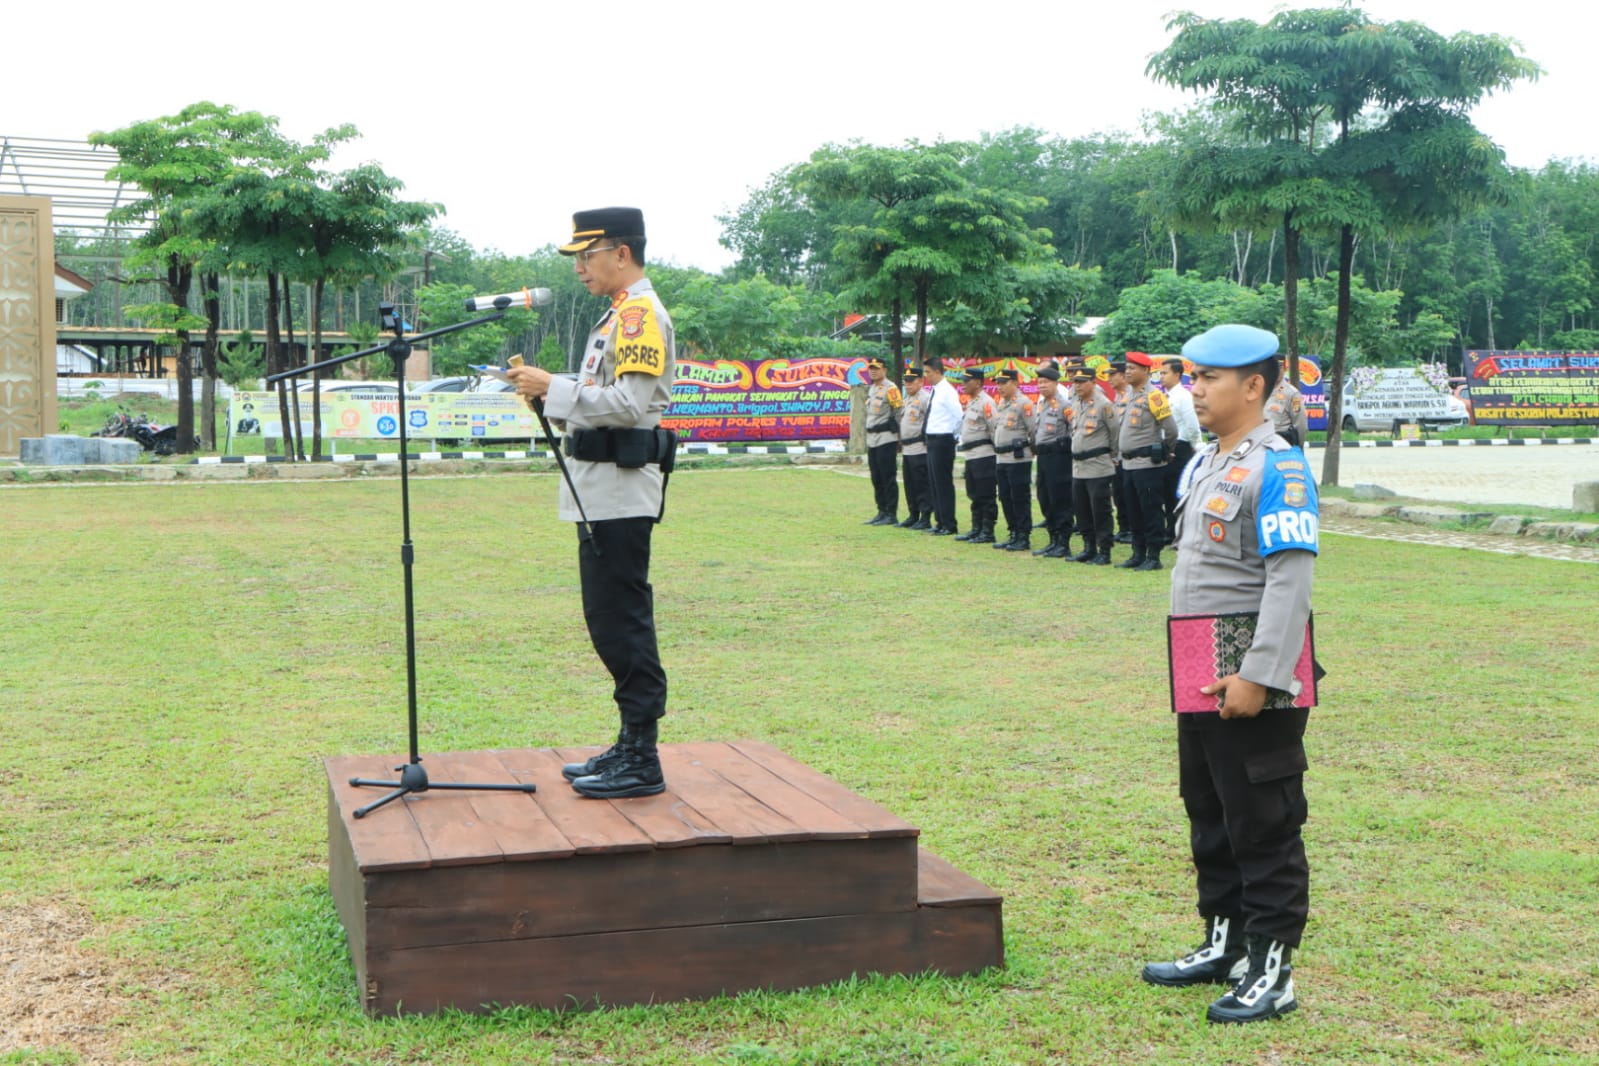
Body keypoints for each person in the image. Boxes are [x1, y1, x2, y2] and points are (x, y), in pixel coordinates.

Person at [1141, 323, 1319, 1025]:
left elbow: (1289, 581)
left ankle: (1271, 972)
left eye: (1208, 378)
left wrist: (1259, 675)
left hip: (1250, 670)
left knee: (1262, 823)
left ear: (1253, 385)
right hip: (1196, 660)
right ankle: (1224, 943)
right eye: (1192, 376)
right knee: (1208, 811)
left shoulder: (1279, 466)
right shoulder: (1208, 461)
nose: (1195, 389)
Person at [506, 207, 676, 801]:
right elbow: (599, 397)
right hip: (600, 489)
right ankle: (630, 741)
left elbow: (629, 406)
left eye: (588, 254)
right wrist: (544, 391)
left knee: (622, 621)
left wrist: (552, 386)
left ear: (621, 254)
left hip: (621, 490)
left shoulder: (638, 317)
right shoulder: (617, 315)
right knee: (608, 621)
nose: (580, 267)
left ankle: (642, 755)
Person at [1116, 351, 1179, 571]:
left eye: (1132, 368)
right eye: (1127, 367)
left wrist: (1167, 451)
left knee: (1151, 510)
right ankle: (1138, 552)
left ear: (1145, 370)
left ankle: (1153, 555)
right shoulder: (1129, 395)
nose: (1127, 371)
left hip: (1147, 465)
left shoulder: (1154, 396)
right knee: (1133, 510)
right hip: (1129, 464)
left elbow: (1170, 429)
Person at [1068, 365, 1119, 564]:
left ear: (1093, 382)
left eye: (1082, 382)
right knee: (1082, 509)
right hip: (1079, 467)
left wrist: (1112, 455)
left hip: (1098, 465)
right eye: (1075, 382)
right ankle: (1088, 547)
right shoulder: (1077, 403)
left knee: (1100, 510)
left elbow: (1115, 432)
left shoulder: (1103, 405)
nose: (1077, 386)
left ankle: (1104, 550)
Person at [1030, 363, 1075, 558]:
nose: (1042, 386)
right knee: (1044, 498)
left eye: (1046, 382)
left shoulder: (1065, 406)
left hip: (1059, 458)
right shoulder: (1041, 405)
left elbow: (1075, 429)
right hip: (1043, 457)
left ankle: (1063, 543)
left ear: (1056, 383)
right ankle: (1052, 539)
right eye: (1039, 382)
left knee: (1060, 500)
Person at [991, 368, 1037, 552]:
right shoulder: (1001, 403)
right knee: (1005, 496)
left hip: (1018, 458)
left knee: (1019, 497)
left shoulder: (1024, 403)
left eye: (1004, 383)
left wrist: (1031, 450)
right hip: (1002, 458)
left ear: (1015, 383)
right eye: (998, 383)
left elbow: (1033, 430)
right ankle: (1013, 533)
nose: (1000, 387)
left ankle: (1023, 536)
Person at [1160, 358, 1203, 546]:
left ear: (1177, 375)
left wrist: (1196, 444)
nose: (1161, 377)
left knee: (1178, 491)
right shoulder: (1165, 396)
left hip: (1181, 446)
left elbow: (1192, 424)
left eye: (1165, 373)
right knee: (1167, 492)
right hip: (1166, 445)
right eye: (1160, 373)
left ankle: (1180, 533)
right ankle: (1170, 531)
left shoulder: (1183, 396)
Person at [955, 367, 999, 545]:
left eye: (967, 381)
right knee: (973, 492)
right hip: (971, 455)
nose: (963, 384)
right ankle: (976, 528)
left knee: (986, 494)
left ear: (979, 383)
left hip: (984, 455)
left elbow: (995, 428)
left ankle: (987, 531)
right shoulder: (972, 402)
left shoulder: (986, 403)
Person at [922, 358, 962, 536]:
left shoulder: (947, 391)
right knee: (934, 483)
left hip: (943, 440)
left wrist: (952, 436)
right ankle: (940, 521)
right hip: (932, 440)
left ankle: (949, 523)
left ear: (937, 372)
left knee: (943, 483)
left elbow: (958, 416)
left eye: (928, 372)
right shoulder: (935, 391)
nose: (926, 376)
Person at [861, 357, 903, 525]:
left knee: (888, 477)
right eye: (871, 368)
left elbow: (899, 411)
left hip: (886, 438)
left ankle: (891, 513)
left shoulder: (891, 388)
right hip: (872, 439)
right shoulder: (872, 389)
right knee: (876, 477)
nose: (873, 371)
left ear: (885, 370)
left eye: (877, 368)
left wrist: (897, 433)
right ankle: (881, 510)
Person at [897, 365, 933, 529]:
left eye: (911, 381)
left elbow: (930, 422)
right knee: (909, 483)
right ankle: (913, 514)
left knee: (921, 483)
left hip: (919, 447)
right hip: (907, 448)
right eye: (906, 381)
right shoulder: (908, 399)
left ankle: (925, 516)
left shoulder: (925, 398)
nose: (908, 384)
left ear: (920, 381)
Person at [1108, 361, 1133, 542]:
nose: (1109, 379)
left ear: (1123, 376)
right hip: (1118, 455)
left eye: (1112, 374)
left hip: (1129, 454)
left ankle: (1132, 528)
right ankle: (1124, 527)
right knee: (1118, 493)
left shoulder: (1131, 396)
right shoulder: (1117, 398)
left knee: (1128, 493)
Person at [1267, 371, 1310, 448]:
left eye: (1279, 367)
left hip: (1282, 448)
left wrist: (1298, 448)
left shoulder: (1292, 394)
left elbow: (1300, 424)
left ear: (1283, 369)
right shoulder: (1259, 391)